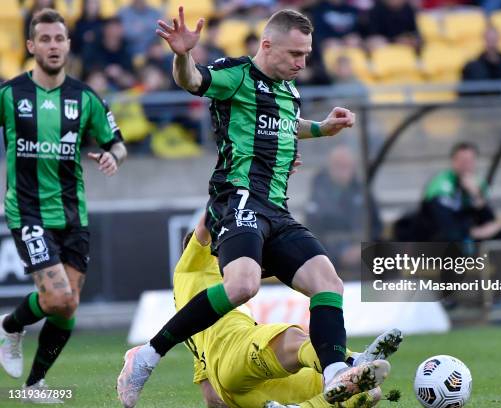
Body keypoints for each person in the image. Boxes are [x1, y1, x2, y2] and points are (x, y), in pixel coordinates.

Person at [117, 7, 370, 408]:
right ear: (267, 45)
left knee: (329, 282)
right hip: (237, 198)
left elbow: (288, 123)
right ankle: (146, 356)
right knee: (243, 285)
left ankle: (335, 373)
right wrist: (183, 55)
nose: (302, 63)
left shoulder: (289, 89)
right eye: (294, 54)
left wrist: (321, 128)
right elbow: (193, 80)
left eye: (306, 54)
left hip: (276, 208)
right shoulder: (235, 75)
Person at [0, 8, 127, 403]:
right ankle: (9, 326)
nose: (53, 46)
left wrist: (113, 157)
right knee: (57, 298)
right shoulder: (10, 94)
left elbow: (116, 143)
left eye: (59, 39)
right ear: (31, 46)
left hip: (74, 215)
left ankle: (35, 384)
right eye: (46, 39)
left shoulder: (85, 98)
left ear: (69, 45)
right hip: (28, 210)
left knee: (67, 308)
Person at [153, 214, 400, 408]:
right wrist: (257, 172)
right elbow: (210, 219)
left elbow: (211, 398)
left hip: (240, 391)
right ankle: (349, 360)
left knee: (368, 392)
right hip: (234, 349)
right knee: (293, 338)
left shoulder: (192, 317)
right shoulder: (193, 264)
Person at [395, 142, 501, 242]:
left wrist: (477, 196)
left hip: (466, 235)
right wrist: (474, 232)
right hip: (433, 238)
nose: (467, 165)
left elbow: (489, 221)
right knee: (451, 240)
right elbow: (444, 224)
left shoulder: (477, 184)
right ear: (453, 162)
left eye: (470, 161)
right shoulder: (441, 184)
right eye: (463, 161)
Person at [306, 145, 382, 275]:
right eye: (338, 166)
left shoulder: (363, 192)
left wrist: (361, 249)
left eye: (346, 166)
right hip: (328, 262)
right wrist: (338, 254)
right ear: (329, 167)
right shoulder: (318, 194)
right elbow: (313, 232)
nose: (342, 171)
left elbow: (375, 227)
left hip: (362, 261)